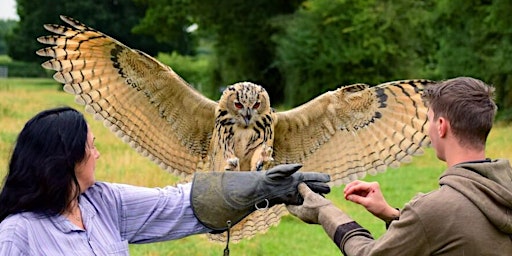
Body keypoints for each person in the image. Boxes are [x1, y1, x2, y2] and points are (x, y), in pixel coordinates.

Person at [0, 106, 330, 255]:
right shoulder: (17, 233)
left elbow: (176, 203)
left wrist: (263, 187)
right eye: (91, 147)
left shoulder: (103, 203)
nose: (97, 155)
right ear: (68, 159)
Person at [287, 77, 512, 255]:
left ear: (441, 126)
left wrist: (324, 211)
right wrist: (393, 215)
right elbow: (454, 234)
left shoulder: (435, 210)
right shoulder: (502, 189)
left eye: (430, 120)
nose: (428, 130)